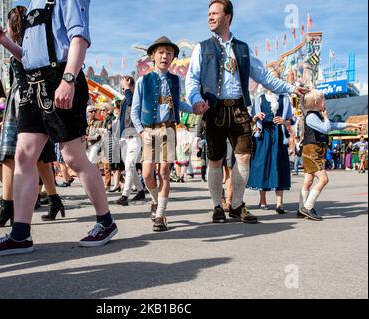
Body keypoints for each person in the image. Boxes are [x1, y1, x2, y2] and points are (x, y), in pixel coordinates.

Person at [0, 0, 117, 258]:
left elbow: (79, 36)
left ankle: (105, 222)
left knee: (73, 157)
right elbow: (30, 58)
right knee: (23, 156)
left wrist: (69, 78)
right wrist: (5, 42)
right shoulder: (33, 4)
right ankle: (20, 234)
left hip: (60, 79)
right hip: (33, 86)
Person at [185, 0, 309, 224]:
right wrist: (195, 100)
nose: (210, 17)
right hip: (213, 109)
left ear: (228, 17)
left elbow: (264, 77)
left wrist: (291, 88)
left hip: (240, 108)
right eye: (209, 14)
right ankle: (217, 206)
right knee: (215, 160)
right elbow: (192, 79)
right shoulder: (201, 48)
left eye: (215, 13)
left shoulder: (242, 49)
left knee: (243, 156)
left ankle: (236, 205)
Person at [0, 6, 65, 228]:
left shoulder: (24, 47)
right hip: (33, 100)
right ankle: (54, 200)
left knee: (11, 157)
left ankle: (7, 206)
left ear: (13, 24)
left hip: (23, 101)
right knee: (40, 158)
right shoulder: (33, 43)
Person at [131, 36, 208, 232]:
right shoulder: (143, 80)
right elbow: (135, 110)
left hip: (169, 130)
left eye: (169, 53)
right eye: (161, 52)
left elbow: (179, 104)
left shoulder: (176, 80)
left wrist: (195, 109)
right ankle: (156, 201)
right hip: (149, 130)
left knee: (164, 172)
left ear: (173, 57)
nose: (165, 56)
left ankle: (161, 214)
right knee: (148, 174)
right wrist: (141, 131)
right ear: (152, 56)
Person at [298, 90, 363, 221]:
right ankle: (308, 207)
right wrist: (326, 117)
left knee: (308, 181)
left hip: (313, 150)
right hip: (312, 150)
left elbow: (333, 124)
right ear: (316, 103)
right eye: (323, 100)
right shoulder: (311, 117)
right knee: (323, 179)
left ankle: (302, 208)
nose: (325, 103)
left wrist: (351, 124)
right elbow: (326, 128)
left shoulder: (317, 115)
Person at [247, 83, 294, 214]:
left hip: (279, 136)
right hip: (263, 136)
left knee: (279, 165)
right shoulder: (259, 98)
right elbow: (251, 119)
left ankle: (279, 203)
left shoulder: (284, 99)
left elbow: (292, 120)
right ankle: (262, 201)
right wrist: (257, 117)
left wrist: (284, 121)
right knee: (263, 165)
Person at [116, 76, 146, 206]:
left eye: (125, 87)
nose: (123, 90)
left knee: (129, 165)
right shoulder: (125, 98)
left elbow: (131, 103)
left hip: (134, 135)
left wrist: (128, 88)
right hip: (125, 136)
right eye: (122, 88)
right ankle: (140, 191)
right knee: (130, 166)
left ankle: (124, 196)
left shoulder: (135, 97)